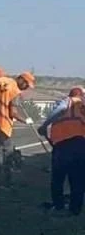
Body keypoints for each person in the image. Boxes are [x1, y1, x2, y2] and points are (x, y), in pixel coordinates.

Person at [0, 69, 35, 185]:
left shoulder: (2, 80)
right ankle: (5, 180)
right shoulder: (15, 91)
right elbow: (13, 113)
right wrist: (25, 120)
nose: (26, 87)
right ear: (21, 79)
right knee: (7, 152)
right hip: (3, 124)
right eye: (26, 84)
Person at [39, 86, 85, 214]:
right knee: (78, 179)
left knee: (58, 177)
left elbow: (59, 110)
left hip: (63, 145)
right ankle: (75, 209)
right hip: (81, 145)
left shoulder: (67, 101)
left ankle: (58, 205)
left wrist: (44, 125)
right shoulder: (83, 106)